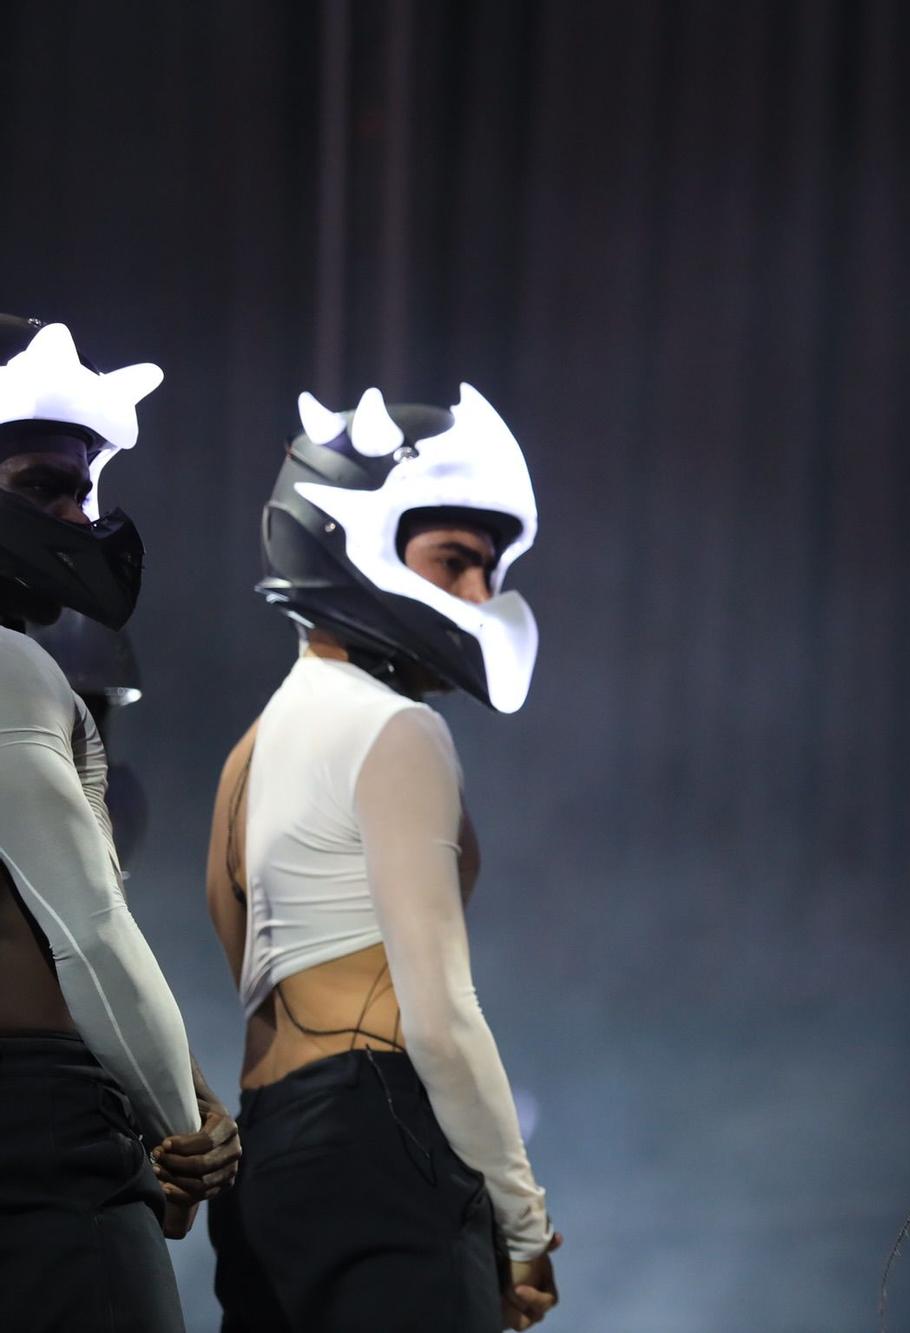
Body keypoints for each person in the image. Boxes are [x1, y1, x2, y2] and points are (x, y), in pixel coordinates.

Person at [204, 384, 559, 1332]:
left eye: (487, 568)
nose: (481, 596)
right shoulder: (398, 729)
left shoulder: (250, 751)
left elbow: (248, 973)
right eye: (453, 561)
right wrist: (521, 1222)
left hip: (264, 1160)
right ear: (351, 534)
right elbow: (440, 1018)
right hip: (382, 1136)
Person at [0, 314, 237, 1332]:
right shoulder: (11, 669)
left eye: (82, 488)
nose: (74, 513)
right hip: (46, 1141)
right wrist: (178, 1126)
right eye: (39, 485)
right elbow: (88, 929)